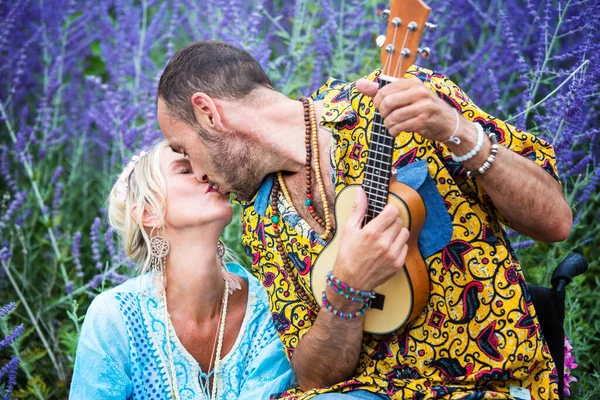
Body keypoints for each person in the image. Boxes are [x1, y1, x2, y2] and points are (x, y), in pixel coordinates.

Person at [156, 41, 573, 399]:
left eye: (183, 149)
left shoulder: (398, 104)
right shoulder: (262, 220)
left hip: (489, 384)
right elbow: (314, 378)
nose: (196, 174)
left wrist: (455, 129)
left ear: (209, 113)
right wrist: (346, 291)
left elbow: (555, 223)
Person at [69, 141, 294, 399]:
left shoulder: (270, 305)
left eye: (207, 163)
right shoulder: (115, 318)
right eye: (185, 169)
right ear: (148, 212)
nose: (206, 173)